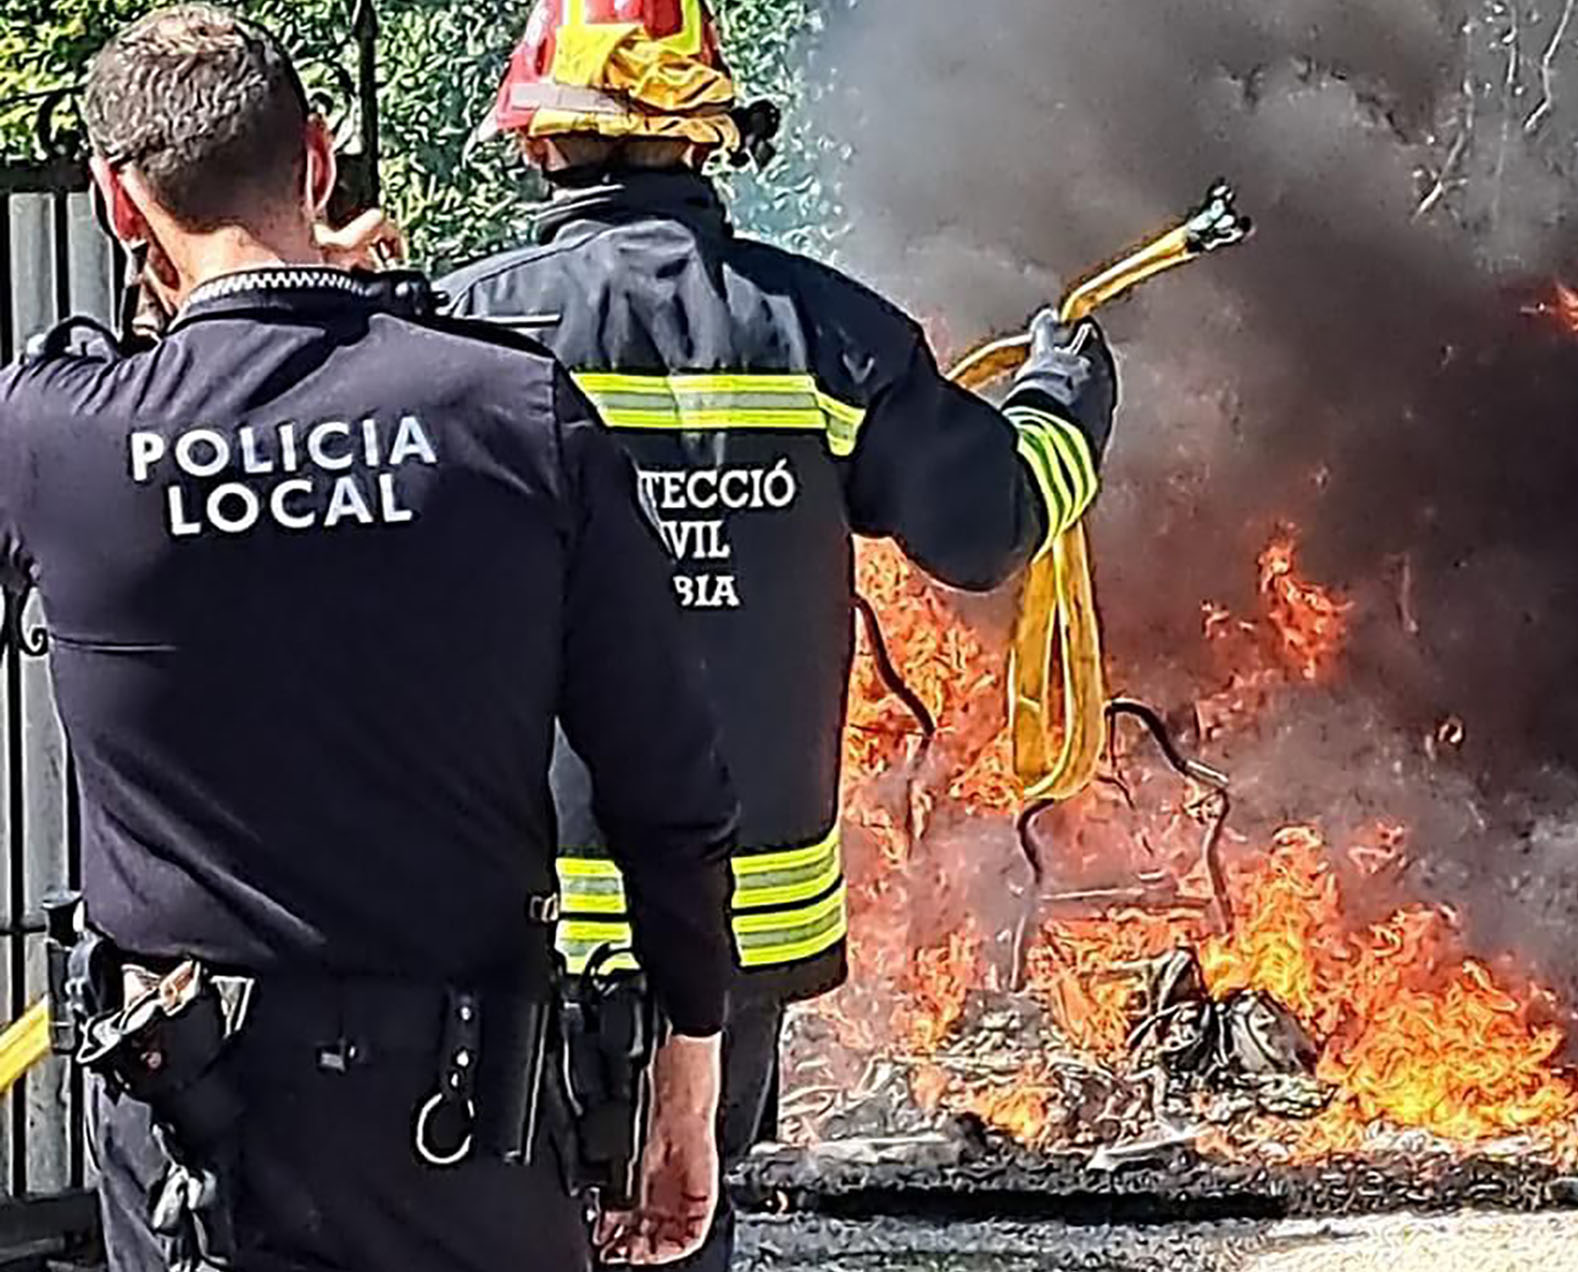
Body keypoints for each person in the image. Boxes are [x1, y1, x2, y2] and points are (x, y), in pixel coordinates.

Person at [2, 6, 739, 1269]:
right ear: (321, 156)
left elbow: (120, 387)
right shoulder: (512, 412)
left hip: (198, 1141)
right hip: (468, 1138)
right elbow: (667, 783)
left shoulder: (55, 436)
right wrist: (687, 1073)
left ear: (120, 208)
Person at [439, 1, 1119, 1266]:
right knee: (682, 1212)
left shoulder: (460, 333)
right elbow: (991, 524)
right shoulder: (824, 335)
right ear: (708, 139)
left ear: (541, 144)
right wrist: (1065, 396)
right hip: (736, 927)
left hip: (508, 921)